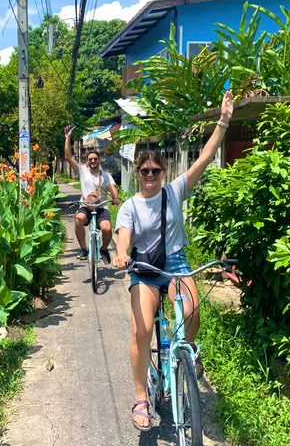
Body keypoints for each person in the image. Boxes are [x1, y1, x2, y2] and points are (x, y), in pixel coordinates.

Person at [113, 89, 234, 431]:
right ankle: (140, 397)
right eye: (144, 171)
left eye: (155, 170)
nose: (150, 175)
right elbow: (123, 238)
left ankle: (187, 352)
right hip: (146, 268)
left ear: (164, 172)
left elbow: (205, 157)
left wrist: (223, 120)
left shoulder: (175, 190)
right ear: (137, 173)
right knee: (143, 330)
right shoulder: (130, 206)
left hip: (178, 262)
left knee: (192, 310)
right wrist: (122, 256)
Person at [64, 126, 120, 264]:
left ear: (99, 160)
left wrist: (115, 198)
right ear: (87, 161)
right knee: (78, 219)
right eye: (90, 159)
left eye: (95, 158)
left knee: (107, 228)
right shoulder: (82, 171)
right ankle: (83, 249)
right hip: (86, 206)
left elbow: (112, 188)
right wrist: (67, 137)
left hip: (101, 207)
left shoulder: (105, 175)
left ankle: (104, 249)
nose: (93, 161)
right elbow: (68, 156)